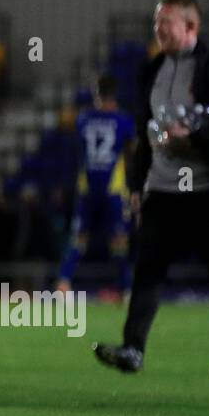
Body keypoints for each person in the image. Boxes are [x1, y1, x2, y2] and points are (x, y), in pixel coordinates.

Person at [94, 0, 209, 375]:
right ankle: (132, 349)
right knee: (147, 269)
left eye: (166, 22)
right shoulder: (152, 70)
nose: (158, 30)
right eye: (156, 22)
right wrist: (137, 185)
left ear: (191, 26)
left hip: (207, 191)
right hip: (164, 189)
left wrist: (194, 137)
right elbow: (142, 133)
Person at [56, 74, 136, 295]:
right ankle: (126, 289)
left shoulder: (83, 119)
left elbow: (74, 151)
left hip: (88, 188)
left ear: (96, 94)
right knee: (119, 240)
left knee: (79, 239)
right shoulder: (123, 121)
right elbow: (132, 154)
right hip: (113, 190)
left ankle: (63, 283)